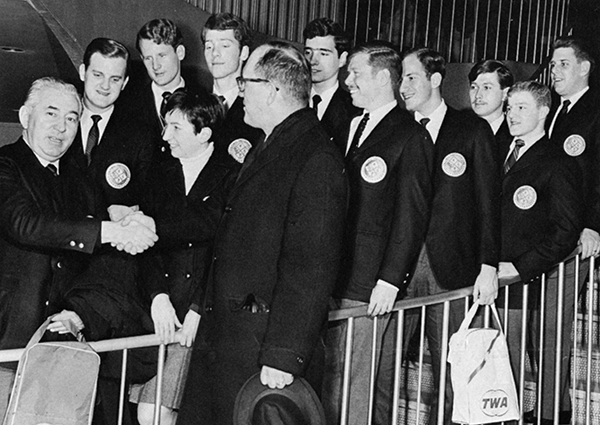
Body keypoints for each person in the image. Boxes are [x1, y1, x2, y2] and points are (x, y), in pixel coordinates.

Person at [176, 41, 347, 425]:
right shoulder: (269, 143)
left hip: (264, 351)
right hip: (233, 339)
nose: (239, 92)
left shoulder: (316, 158)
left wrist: (284, 354)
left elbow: (311, 264)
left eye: (245, 82)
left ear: (271, 89)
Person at [0, 77, 157, 417]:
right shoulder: (5, 166)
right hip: (7, 348)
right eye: (52, 114)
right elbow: (24, 224)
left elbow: (106, 263)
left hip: (65, 349)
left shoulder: (83, 182)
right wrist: (110, 230)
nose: (61, 127)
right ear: (26, 116)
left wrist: (80, 313)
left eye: (72, 118)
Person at [321, 42, 433, 425]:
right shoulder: (350, 125)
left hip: (368, 281)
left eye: (356, 74)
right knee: (332, 377)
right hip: (334, 272)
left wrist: (389, 279)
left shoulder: (410, 135)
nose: (347, 81)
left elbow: (410, 216)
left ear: (384, 77)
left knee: (355, 384)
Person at [399, 48, 500, 424]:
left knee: (452, 370)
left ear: (436, 79)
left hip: (452, 267)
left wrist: (488, 264)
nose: (403, 86)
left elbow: (489, 204)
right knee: (387, 366)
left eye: (411, 77)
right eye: (401, 78)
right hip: (400, 268)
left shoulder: (471, 129)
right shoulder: (398, 129)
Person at [129, 89, 239, 425]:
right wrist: (157, 297)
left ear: (203, 133)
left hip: (202, 315)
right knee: (149, 413)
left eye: (176, 128)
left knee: (160, 413)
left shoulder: (233, 175)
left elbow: (227, 248)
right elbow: (143, 244)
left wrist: (198, 307)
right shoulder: (158, 173)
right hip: (159, 311)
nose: (166, 136)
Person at [497, 81, 583, 425]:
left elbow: (565, 232)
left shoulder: (557, 160)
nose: (512, 115)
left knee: (516, 364)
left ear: (544, 111)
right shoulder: (498, 150)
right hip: (492, 277)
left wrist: (521, 268)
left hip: (525, 283)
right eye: (509, 108)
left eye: (521, 108)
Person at [62, 37, 154, 214]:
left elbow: (146, 200)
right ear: (83, 72)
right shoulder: (59, 122)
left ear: (124, 83)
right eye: (98, 75)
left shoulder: (141, 135)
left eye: (115, 79)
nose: (105, 86)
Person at [548, 36, 600, 261]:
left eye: (563, 64)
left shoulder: (596, 110)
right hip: (545, 228)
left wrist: (593, 225)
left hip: (577, 232)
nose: (554, 71)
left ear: (584, 67)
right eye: (552, 65)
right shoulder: (547, 109)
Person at [121, 18, 200, 159]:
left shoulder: (201, 99)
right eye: (148, 58)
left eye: (162, 55)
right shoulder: (127, 104)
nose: (155, 66)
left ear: (180, 52)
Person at [202, 12, 263, 160]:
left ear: (243, 52)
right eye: (209, 46)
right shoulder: (195, 102)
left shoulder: (258, 109)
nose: (215, 53)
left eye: (224, 45)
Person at [302, 17, 359, 148]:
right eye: (308, 52)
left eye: (323, 53)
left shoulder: (354, 109)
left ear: (342, 59)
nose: (313, 61)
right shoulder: (290, 99)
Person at [468, 59, 514, 166]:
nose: (478, 95)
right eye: (474, 87)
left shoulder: (514, 137)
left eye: (486, 87)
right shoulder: (458, 131)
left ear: (505, 94)